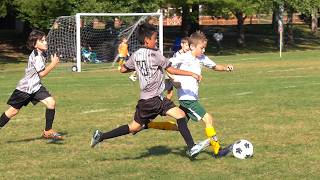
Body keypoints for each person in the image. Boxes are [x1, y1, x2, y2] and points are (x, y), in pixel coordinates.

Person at [90, 22, 203, 158]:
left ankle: (101, 136)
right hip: (155, 99)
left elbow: (124, 69)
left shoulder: (136, 54)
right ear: (147, 40)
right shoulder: (155, 54)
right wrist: (191, 73)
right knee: (181, 115)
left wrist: (135, 67)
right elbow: (171, 69)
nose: (156, 41)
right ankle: (191, 147)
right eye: (155, 38)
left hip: (145, 101)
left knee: (134, 127)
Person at [0, 30, 62, 140]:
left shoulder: (41, 52)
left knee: (51, 103)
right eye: (42, 41)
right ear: (34, 44)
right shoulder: (37, 56)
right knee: (13, 111)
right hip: (25, 89)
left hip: (36, 87)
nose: (45, 42)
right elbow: (42, 74)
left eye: (45, 40)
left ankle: (47, 131)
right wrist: (53, 64)